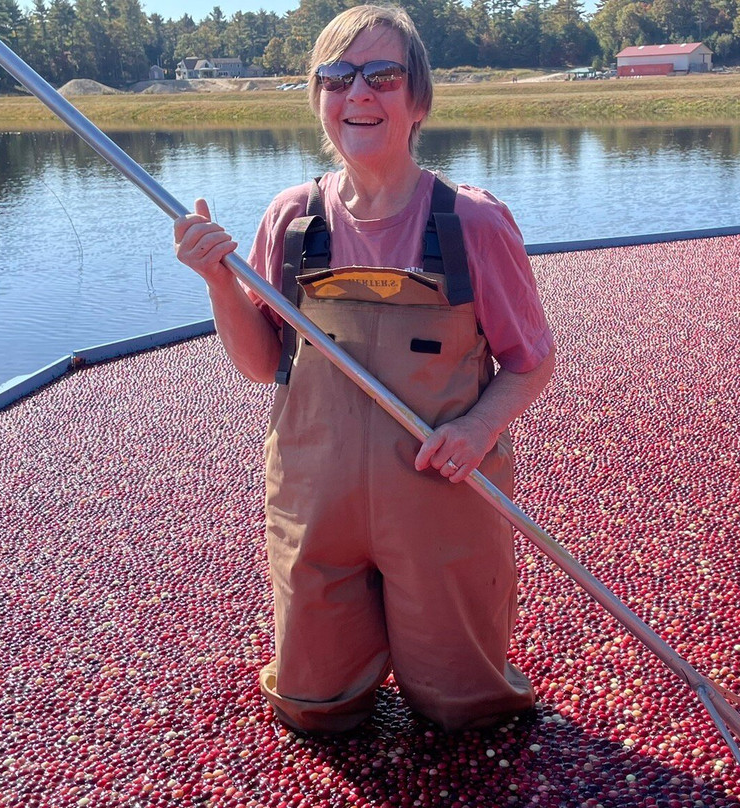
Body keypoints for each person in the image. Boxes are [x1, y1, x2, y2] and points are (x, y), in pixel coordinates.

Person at [173, 4, 555, 734]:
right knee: (315, 709)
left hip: (439, 497)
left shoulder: (470, 223)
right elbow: (262, 366)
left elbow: (531, 362)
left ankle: (456, 687)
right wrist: (220, 283)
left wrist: (477, 428)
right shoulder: (291, 219)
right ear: (319, 99)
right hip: (315, 498)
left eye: (382, 75)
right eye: (337, 77)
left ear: (418, 100)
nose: (359, 94)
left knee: (464, 714)